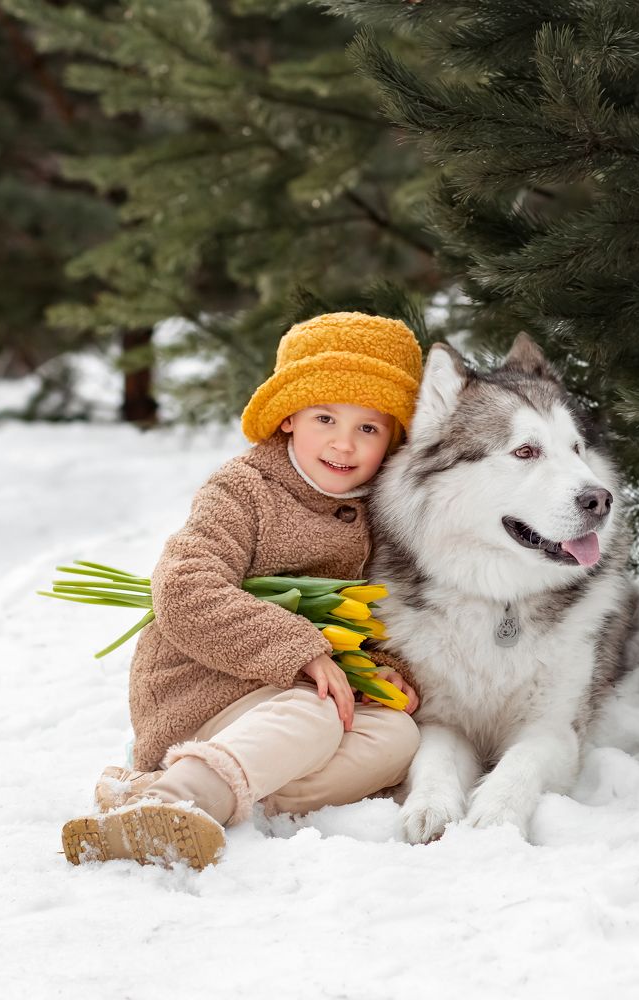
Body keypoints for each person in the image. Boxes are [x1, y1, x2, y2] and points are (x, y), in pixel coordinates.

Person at [61, 311, 423, 870]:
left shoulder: (382, 515)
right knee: (319, 714)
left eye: (369, 428)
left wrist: (380, 667)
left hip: (288, 704)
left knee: (397, 738)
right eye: (325, 418)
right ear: (287, 418)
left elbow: (376, 611)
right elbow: (184, 586)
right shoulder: (244, 489)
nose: (344, 444)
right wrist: (301, 651)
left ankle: (181, 792)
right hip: (206, 688)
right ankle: (173, 801)